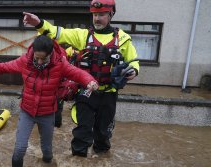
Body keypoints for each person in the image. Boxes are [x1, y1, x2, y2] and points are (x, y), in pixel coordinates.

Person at [0, 34, 98, 167]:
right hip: (27, 112)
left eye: (43, 58)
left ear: (51, 54)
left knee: (47, 152)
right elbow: (1, 67)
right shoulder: (25, 61)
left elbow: (78, 73)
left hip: (48, 113)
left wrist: (90, 81)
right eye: (36, 57)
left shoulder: (60, 64)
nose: (38, 61)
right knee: (19, 150)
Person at [23, 0, 140, 157]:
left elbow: (133, 62)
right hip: (87, 92)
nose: (97, 18)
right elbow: (58, 32)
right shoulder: (82, 35)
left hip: (109, 94)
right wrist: (39, 23)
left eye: (102, 15)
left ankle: (101, 160)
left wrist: (133, 71)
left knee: (103, 133)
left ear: (111, 15)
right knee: (82, 131)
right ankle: (78, 164)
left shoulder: (123, 39)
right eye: (95, 15)